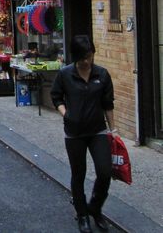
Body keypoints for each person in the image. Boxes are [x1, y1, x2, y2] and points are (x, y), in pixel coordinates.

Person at [50, 36, 115, 233]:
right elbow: (56, 96)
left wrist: (114, 130)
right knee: (78, 174)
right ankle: (82, 214)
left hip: (98, 131)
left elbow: (108, 104)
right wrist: (66, 114)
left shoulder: (102, 74)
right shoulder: (65, 74)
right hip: (74, 133)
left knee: (105, 172)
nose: (88, 61)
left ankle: (95, 207)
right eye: (84, 57)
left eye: (90, 56)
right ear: (76, 56)